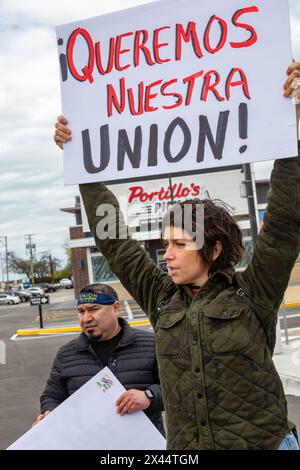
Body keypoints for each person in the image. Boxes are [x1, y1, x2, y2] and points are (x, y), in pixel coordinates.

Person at [54, 61, 300, 450]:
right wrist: (83, 168)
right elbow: (114, 240)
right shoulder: (161, 295)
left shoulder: (254, 290)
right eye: (165, 244)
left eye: (179, 244)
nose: (166, 255)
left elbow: (286, 220)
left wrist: (295, 132)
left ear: (214, 248)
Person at [33, 283, 165, 436]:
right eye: (81, 311)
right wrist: (50, 414)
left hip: (144, 444)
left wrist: (149, 396)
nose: (86, 318)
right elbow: (51, 396)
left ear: (116, 308)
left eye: (94, 309)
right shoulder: (66, 354)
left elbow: (179, 389)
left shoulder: (151, 344)